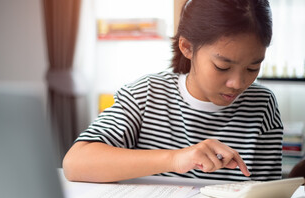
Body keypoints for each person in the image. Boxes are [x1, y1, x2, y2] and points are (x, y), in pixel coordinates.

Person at [63, 0, 283, 183]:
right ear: (187, 47)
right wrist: (175, 159)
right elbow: (76, 163)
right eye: (222, 67)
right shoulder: (146, 95)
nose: (237, 83)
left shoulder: (262, 105)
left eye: (252, 68)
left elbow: (267, 194)